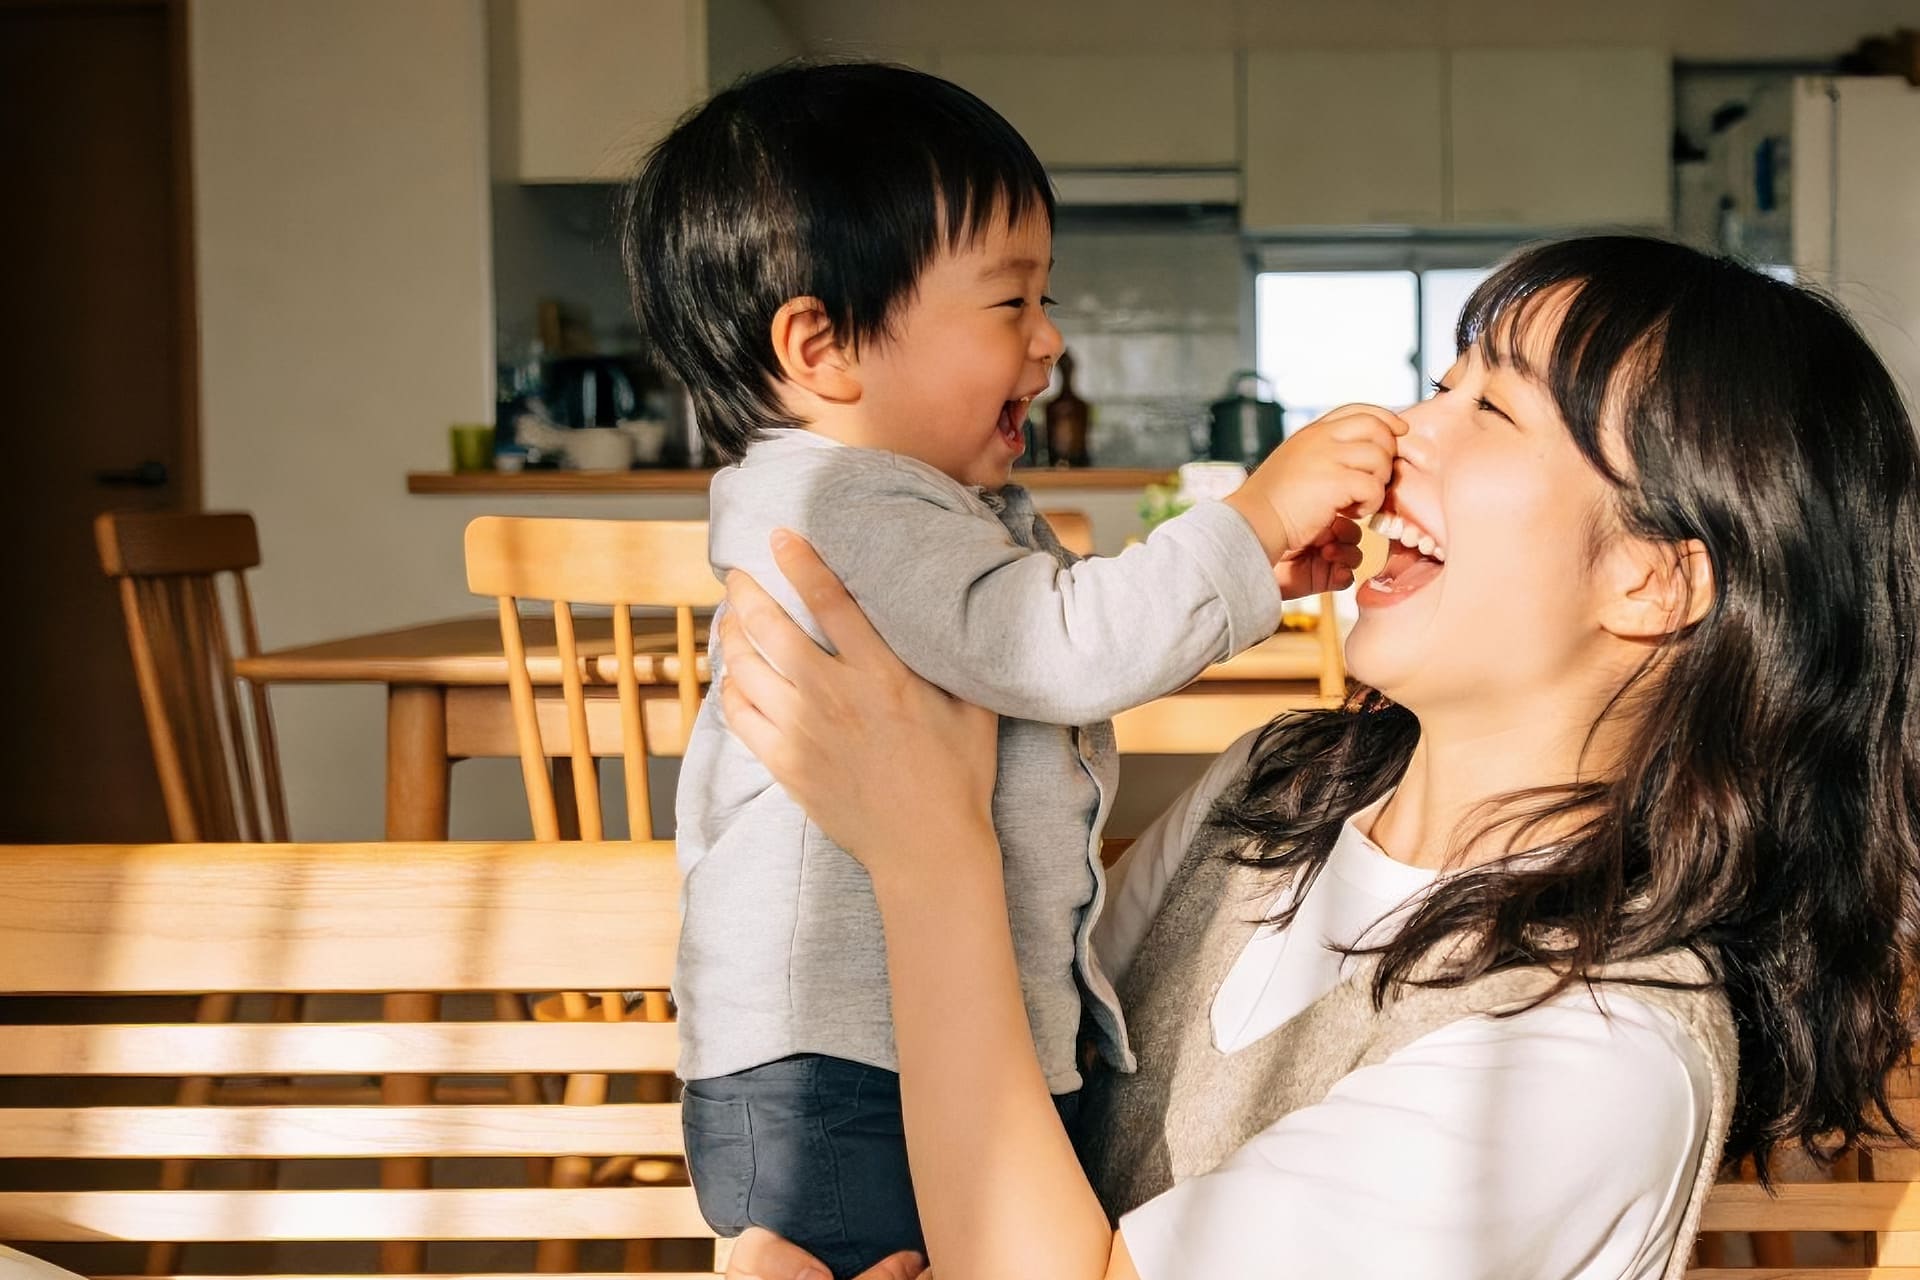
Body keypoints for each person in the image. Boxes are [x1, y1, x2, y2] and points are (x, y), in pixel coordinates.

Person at [713, 235, 1920, 1280]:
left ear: (1654, 579)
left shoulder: (1592, 1052)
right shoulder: (1276, 787)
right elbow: (1006, 1075)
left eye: (1490, 410)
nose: (1400, 432)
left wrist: (932, 855)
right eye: (1434, 386)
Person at [618, 61, 1402, 1275]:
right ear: (822, 345)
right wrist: (1250, 521)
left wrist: (1261, 575)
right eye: (1008, 303)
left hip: (866, 1058)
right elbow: (1055, 645)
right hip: (847, 1074)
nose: (1050, 340)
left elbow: (1038, 632)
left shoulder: (894, 500)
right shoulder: (841, 495)